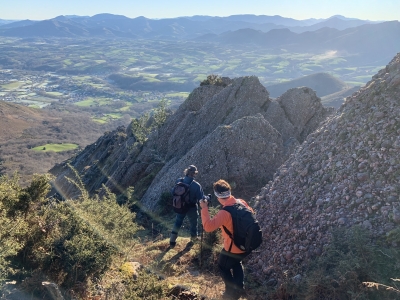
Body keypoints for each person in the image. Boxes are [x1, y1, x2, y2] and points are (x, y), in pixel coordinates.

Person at [200, 179, 252, 300]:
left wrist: (204, 208)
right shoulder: (241, 202)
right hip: (247, 244)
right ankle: (239, 289)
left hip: (233, 248)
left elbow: (208, 227)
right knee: (236, 262)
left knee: (223, 266)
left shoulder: (224, 213)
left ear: (218, 196)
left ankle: (230, 294)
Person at [169, 165, 204, 248]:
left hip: (180, 206)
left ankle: (172, 241)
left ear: (187, 172)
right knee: (193, 223)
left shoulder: (179, 180)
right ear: (195, 174)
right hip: (191, 208)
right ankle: (193, 239)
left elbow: (173, 192)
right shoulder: (196, 185)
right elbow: (201, 199)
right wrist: (207, 198)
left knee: (178, 222)